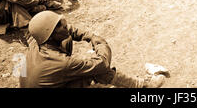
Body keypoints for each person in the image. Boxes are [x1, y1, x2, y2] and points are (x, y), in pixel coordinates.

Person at [20, 11, 166, 87]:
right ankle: (143, 87)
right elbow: (102, 64)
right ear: (50, 36)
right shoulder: (62, 63)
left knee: (67, 39)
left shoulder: (37, 41)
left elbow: (69, 30)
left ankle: (139, 85)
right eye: (59, 25)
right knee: (97, 72)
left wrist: (88, 35)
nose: (65, 25)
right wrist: (99, 42)